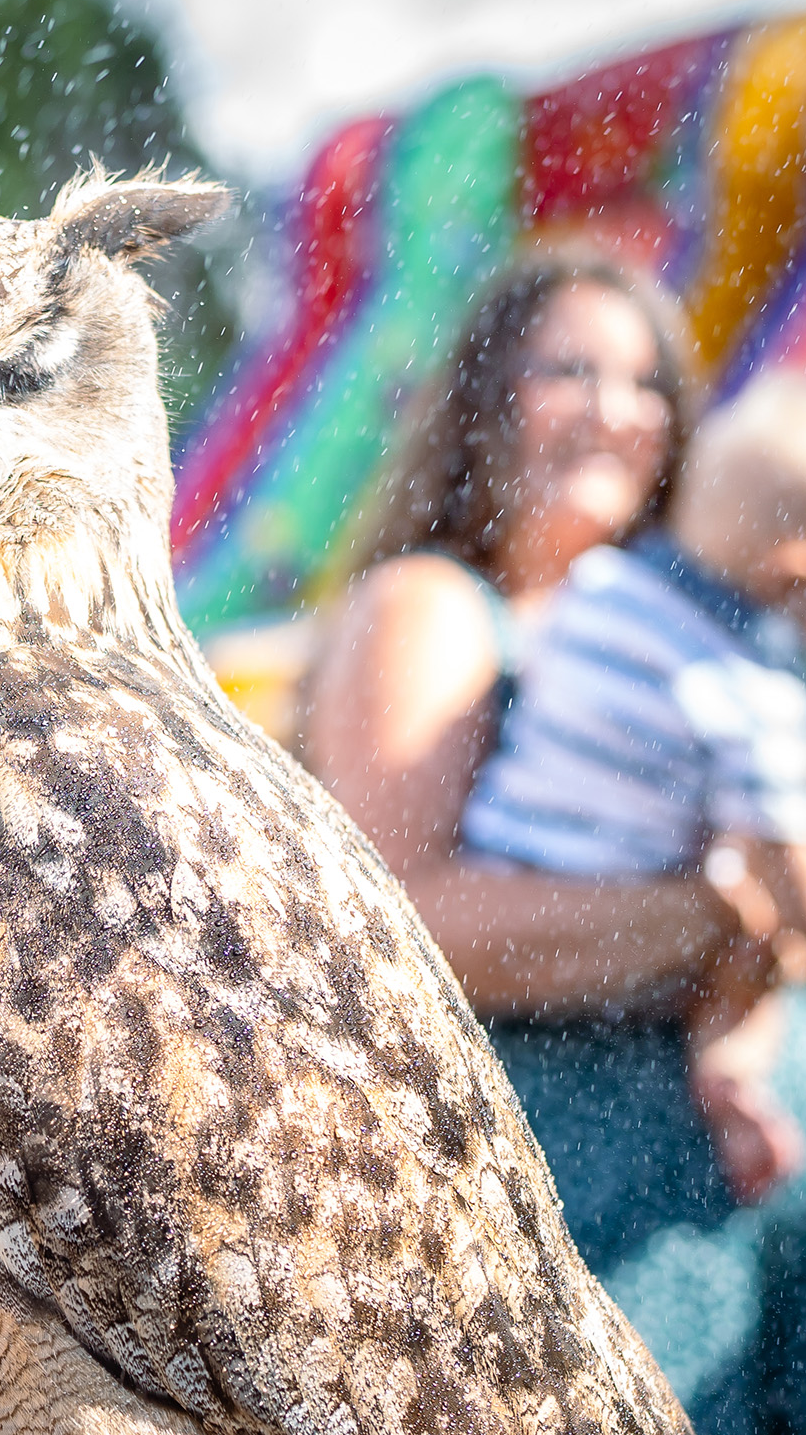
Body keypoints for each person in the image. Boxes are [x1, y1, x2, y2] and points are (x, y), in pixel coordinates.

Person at [301, 253, 785, 1431]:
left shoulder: (678, 642)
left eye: (646, 382)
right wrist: (725, 913)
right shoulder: (440, 606)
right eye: (567, 370)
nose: (614, 411)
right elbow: (402, 928)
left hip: (689, 1187)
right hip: (532, 1188)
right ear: (485, 397)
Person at [459, 371, 806, 1207]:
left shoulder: (602, 587)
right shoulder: (739, 686)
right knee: (756, 947)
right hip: (604, 935)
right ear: (793, 576)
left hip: (508, 852)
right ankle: (727, 1080)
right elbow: (786, 873)